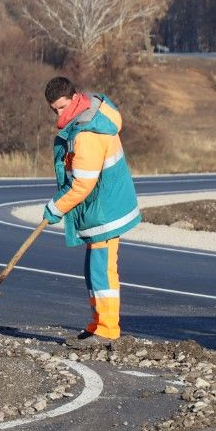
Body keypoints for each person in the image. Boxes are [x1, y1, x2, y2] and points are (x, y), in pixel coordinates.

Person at [42, 76, 140, 349]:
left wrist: (55, 208)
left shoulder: (86, 132)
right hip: (101, 205)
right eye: (54, 110)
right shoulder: (86, 117)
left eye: (62, 107)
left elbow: (82, 184)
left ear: (74, 99)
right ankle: (97, 324)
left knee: (102, 271)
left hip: (106, 209)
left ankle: (108, 330)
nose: (59, 114)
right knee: (93, 270)